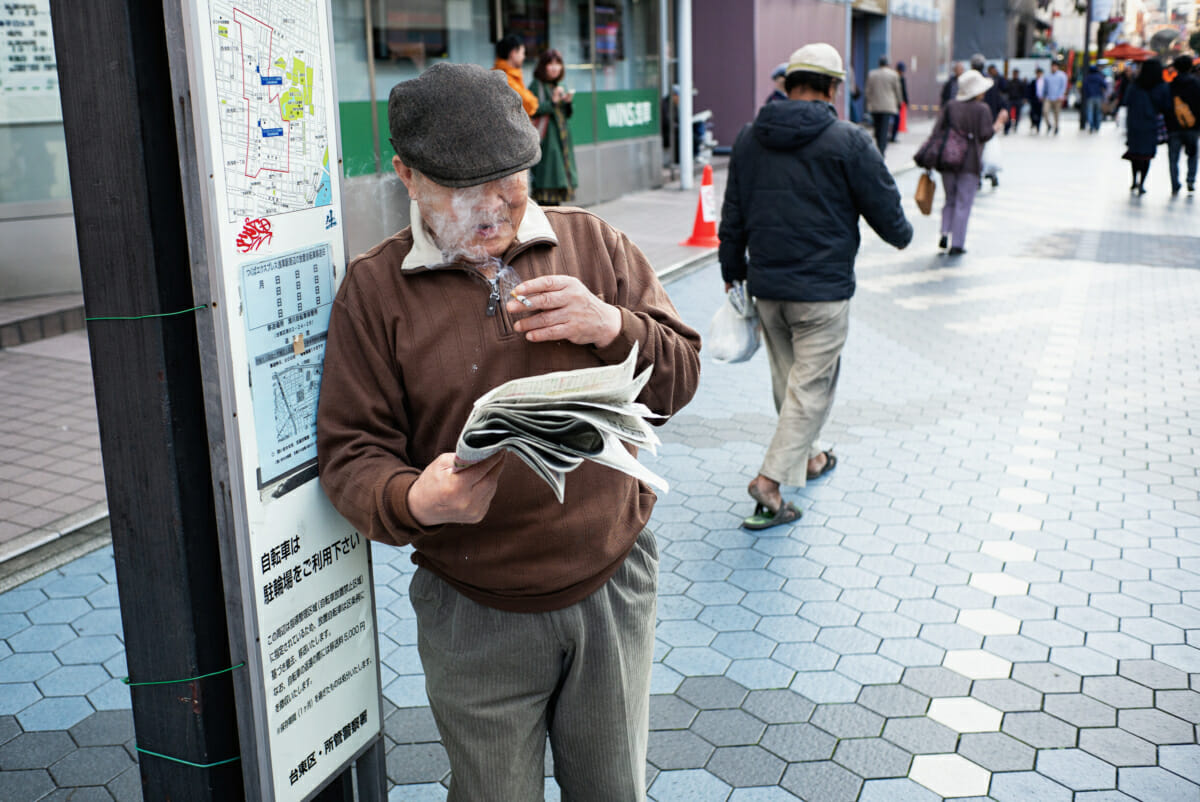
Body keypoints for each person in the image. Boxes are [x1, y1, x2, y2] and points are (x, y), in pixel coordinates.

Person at [316, 63, 701, 800]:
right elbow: (352, 451)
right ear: (406, 175)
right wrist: (413, 500)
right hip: (472, 608)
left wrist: (614, 326)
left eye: (509, 179)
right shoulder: (376, 289)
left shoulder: (594, 245)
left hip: (611, 582)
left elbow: (679, 375)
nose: (493, 209)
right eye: (464, 188)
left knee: (614, 789)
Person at [717, 43, 912, 530]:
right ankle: (770, 481)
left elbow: (733, 212)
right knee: (811, 389)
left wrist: (730, 269)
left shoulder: (747, 136)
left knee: (789, 382)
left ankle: (810, 458)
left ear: (789, 83)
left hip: (768, 287)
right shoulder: (849, 140)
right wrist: (903, 234)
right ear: (832, 88)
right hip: (822, 292)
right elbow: (887, 212)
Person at [934, 69, 996, 255]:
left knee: (949, 199)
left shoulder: (950, 106)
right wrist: (998, 123)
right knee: (963, 202)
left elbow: (937, 131)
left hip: (947, 161)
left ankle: (945, 231)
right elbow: (986, 134)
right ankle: (957, 243)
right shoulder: (982, 109)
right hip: (969, 163)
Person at [528, 48, 577, 205]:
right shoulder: (537, 86)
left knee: (557, 184)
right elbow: (532, 110)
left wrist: (567, 102)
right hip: (547, 142)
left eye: (558, 64)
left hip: (560, 141)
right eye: (551, 64)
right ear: (543, 66)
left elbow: (566, 114)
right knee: (547, 185)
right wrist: (553, 102)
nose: (555, 67)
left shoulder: (558, 85)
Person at [1121, 59, 1171, 194]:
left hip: (1134, 124)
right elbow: (1166, 106)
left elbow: (1126, 101)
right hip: (1151, 125)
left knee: (1135, 154)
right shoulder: (1161, 86)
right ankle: (1142, 182)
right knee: (1146, 156)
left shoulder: (1135, 85)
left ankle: (1133, 180)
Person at [1165, 55, 1200, 194]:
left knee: (1173, 157)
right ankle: (1190, 180)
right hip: (1193, 126)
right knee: (1193, 154)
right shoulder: (1197, 84)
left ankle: (1175, 183)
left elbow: (1165, 106)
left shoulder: (1170, 85)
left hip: (1174, 127)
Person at [865, 55, 904, 155]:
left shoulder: (872, 74)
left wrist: (869, 103)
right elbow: (898, 91)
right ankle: (881, 150)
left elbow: (868, 91)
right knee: (884, 129)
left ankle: (879, 147)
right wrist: (899, 102)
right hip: (888, 106)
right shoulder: (893, 75)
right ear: (887, 64)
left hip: (875, 106)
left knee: (877, 128)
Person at [492, 33, 538, 118]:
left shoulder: (504, 74)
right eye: (522, 53)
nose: (524, 57)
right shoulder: (504, 78)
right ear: (513, 53)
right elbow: (530, 105)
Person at [1043, 61, 1068, 134]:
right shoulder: (1047, 76)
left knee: (1056, 113)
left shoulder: (1062, 75)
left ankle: (1056, 126)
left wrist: (1061, 95)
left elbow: (1063, 87)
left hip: (1058, 97)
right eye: (1052, 66)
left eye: (1054, 66)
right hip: (1048, 97)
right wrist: (1043, 95)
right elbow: (1045, 87)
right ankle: (1049, 125)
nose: (1053, 68)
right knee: (1045, 111)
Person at [1082, 64, 1108, 132]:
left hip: (1090, 97)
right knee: (1097, 112)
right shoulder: (1099, 77)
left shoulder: (1087, 77)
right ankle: (1097, 126)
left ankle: (1091, 125)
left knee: (1090, 112)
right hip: (1098, 96)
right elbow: (1105, 85)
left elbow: (1084, 87)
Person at [890, 61, 910, 142]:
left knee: (896, 119)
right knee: (895, 119)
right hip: (892, 102)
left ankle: (893, 136)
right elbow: (901, 91)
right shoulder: (895, 77)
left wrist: (905, 101)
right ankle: (891, 136)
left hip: (896, 103)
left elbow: (904, 91)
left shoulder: (900, 78)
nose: (902, 72)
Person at [1005, 68, 1026, 134]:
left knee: (1017, 114)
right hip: (1011, 99)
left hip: (1018, 99)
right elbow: (1006, 90)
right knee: (1008, 113)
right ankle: (1008, 127)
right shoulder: (1010, 82)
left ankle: (1016, 125)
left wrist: (1024, 99)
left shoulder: (1020, 82)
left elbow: (1023, 91)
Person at [1028, 67, 1046, 133]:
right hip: (1034, 100)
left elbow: (1046, 90)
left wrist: (1044, 97)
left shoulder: (1044, 82)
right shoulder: (1033, 81)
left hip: (1041, 100)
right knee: (1032, 113)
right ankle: (1033, 123)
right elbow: (1030, 91)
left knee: (1039, 114)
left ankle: (1038, 126)